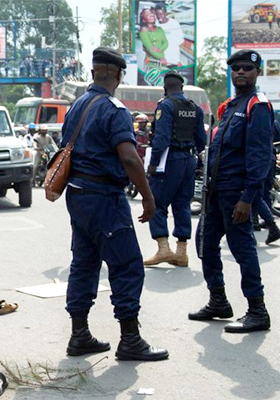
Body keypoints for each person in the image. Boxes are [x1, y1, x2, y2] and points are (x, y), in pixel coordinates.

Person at [61, 47, 167, 361]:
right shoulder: (114, 109)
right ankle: (130, 339)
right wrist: (148, 197)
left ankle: (79, 335)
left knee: (84, 263)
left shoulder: (76, 105)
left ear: (94, 71)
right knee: (127, 266)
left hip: (78, 194)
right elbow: (130, 156)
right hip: (104, 198)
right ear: (118, 75)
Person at [190, 50, 274, 333]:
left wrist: (248, 197)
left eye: (246, 68)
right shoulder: (229, 106)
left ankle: (257, 310)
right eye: (236, 68)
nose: (240, 72)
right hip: (215, 192)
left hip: (236, 192)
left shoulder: (257, 105)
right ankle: (218, 301)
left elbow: (260, 154)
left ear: (256, 73)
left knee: (243, 250)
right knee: (204, 243)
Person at [143, 71, 205, 267]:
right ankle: (181, 252)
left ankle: (163, 249)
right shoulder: (195, 108)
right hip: (189, 159)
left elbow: (161, 139)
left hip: (170, 160)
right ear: (182, 87)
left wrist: (153, 164)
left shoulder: (166, 105)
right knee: (182, 204)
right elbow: (202, 141)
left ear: (165, 88)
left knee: (157, 203)